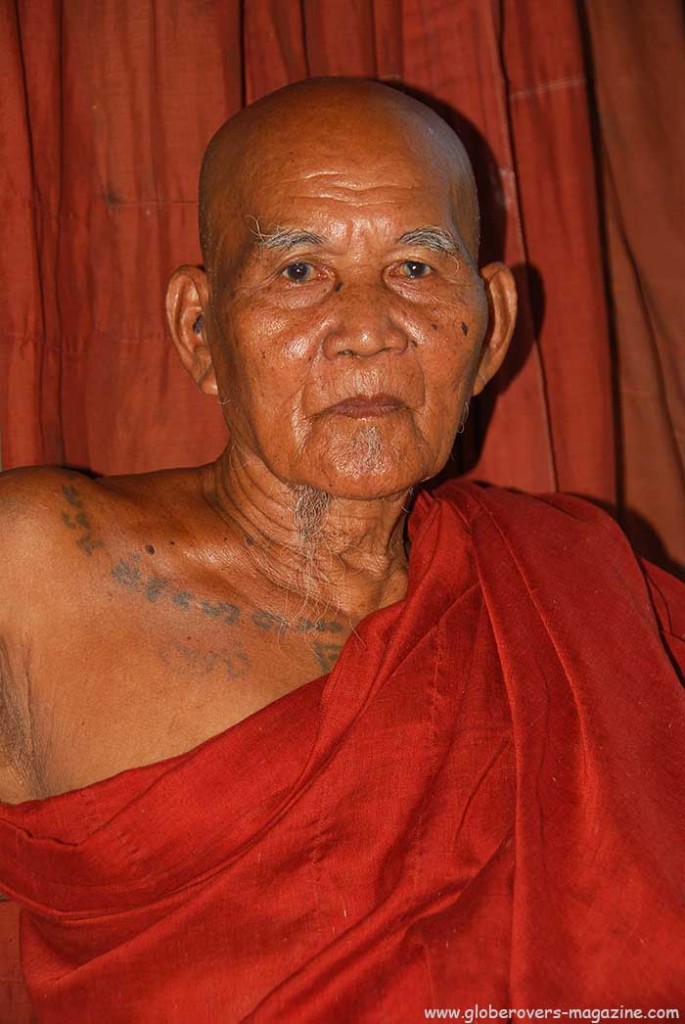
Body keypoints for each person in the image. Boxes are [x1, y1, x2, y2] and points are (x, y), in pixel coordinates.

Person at [0, 78, 683, 1022]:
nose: (366, 330)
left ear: (490, 333)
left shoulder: (579, 593)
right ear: (199, 332)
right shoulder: (38, 573)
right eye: (297, 273)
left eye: (414, 268)